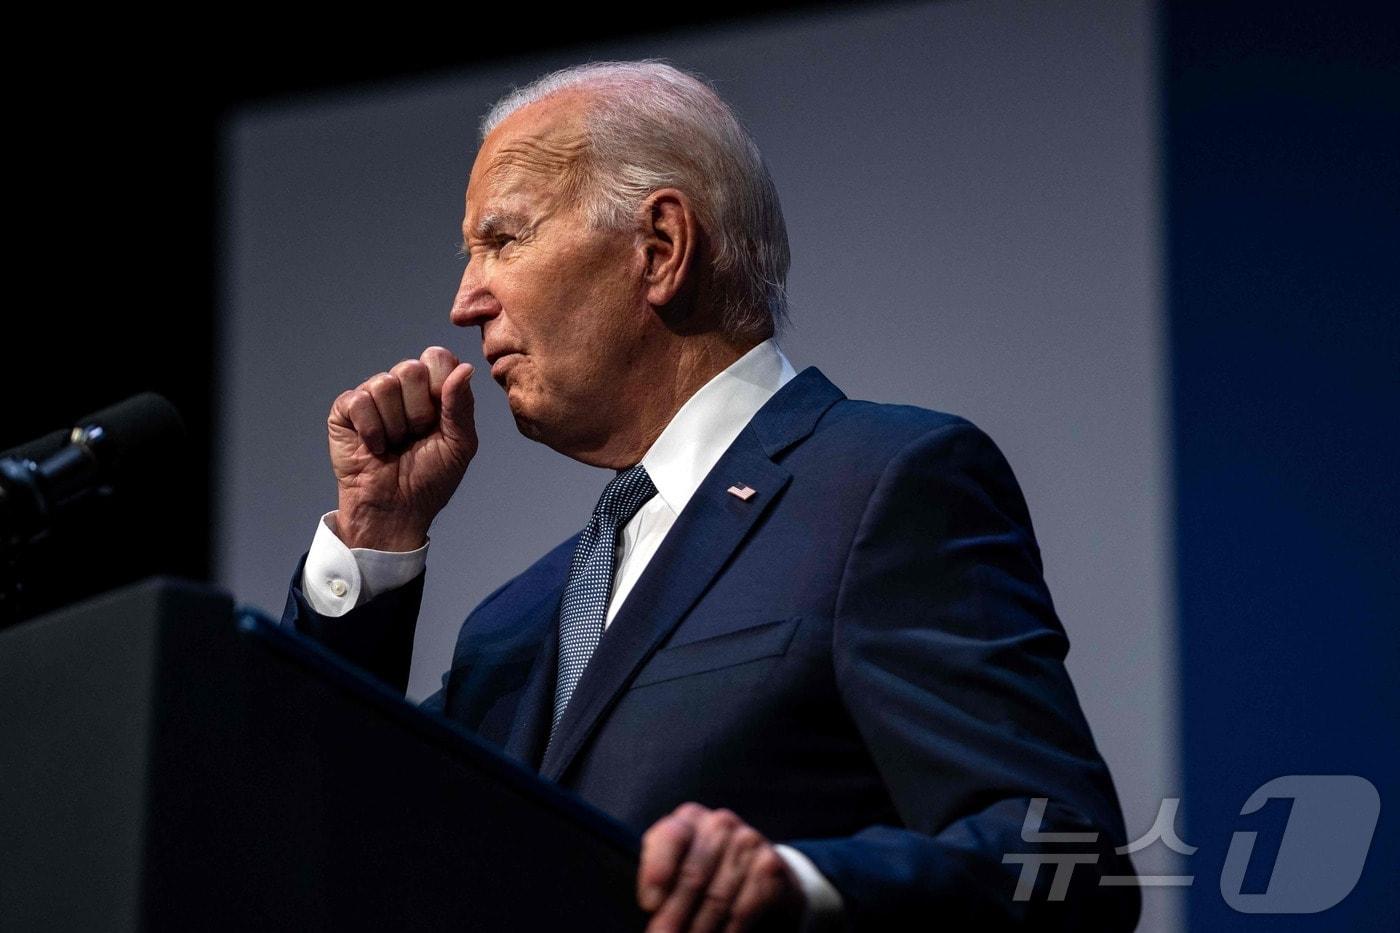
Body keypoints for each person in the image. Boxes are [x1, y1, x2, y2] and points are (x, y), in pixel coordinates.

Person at [280, 60, 1140, 931]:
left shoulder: (882, 487)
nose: (466, 301)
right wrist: (374, 535)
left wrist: (801, 888)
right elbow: (319, 830)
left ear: (660, 249)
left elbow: (1066, 859)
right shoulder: (515, 627)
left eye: (503, 240)